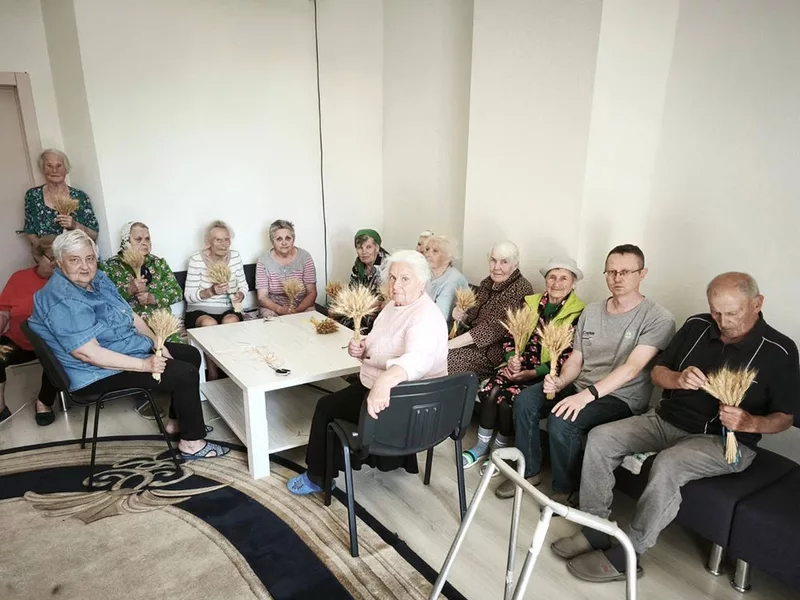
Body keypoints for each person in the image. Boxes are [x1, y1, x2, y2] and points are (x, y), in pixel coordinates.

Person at [552, 272, 800, 583]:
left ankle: (632, 551)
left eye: (732, 313)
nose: (723, 321)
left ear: (757, 303)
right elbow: (658, 372)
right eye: (716, 312)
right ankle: (595, 527)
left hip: (725, 440)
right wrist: (678, 379)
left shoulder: (780, 350)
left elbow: (786, 417)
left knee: (668, 464)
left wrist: (750, 421)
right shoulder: (697, 326)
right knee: (601, 438)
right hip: (665, 420)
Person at [496, 244, 675, 502]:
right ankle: (528, 472)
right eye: (611, 272)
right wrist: (560, 380)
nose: (617, 278)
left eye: (626, 271)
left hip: (621, 397)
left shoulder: (658, 318)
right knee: (525, 401)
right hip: (581, 386)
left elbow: (632, 369)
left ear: (642, 274)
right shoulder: (592, 311)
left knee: (563, 420)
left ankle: (564, 488)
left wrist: (587, 396)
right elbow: (576, 360)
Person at [28, 230, 227, 460]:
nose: (85, 266)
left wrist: (157, 342)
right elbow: (87, 354)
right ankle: (192, 444)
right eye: (75, 260)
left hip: (119, 346)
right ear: (59, 262)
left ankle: (177, 424)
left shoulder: (97, 279)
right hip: (95, 371)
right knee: (184, 373)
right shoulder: (65, 299)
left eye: (89, 258)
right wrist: (145, 364)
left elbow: (131, 315)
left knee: (190, 355)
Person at [287, 250, 448, 495]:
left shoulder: (425, 316)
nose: (396, 285)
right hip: (395, 395)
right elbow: (379, 341)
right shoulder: (395, 306)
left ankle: (317, 477)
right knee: (335, 402)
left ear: (422, 282)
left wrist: (385, 382)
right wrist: (362, 346)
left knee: (325, 407)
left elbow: (418, 360)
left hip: (406, 404)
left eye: (405, 279)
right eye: (392, 278)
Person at [462, 258, 586, 471]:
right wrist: (511, 358)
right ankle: (481, 446)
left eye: (563, 278)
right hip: (519, 364)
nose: (557, 283)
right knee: (491, 391)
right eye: (552, 277)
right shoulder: (530, 302)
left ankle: (498, 454)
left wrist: (532, 373)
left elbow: (567, 356)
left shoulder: (579, 313)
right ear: (546, 280)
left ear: (573, 283)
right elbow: (511, 335)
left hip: (546, 373)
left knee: (505, 401)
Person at [447, 241, 533, 379]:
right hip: (467, 345)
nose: (496, 267)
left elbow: (491, 330)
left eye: (504, 262)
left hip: (490, 354)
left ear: (515, 264)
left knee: (443, 360)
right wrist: (461, 316)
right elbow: (472, 317)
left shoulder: (520, 289)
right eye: (493, 260)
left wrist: (447, 346)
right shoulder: (487, 283)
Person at [0, 236, 58, 425]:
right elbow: (3, 314)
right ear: (38, 256)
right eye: (52, 258)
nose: (57, 263)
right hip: (18, 342)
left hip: (49, 344)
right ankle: (1, 408)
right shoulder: (19, 278)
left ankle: (43, 403)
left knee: (59, 357)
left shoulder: (64, 281)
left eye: (61, 257)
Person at [184, 220, 248, 380]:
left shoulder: (236, 257)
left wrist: (241, 294)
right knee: (209, 324)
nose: (224, 244)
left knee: (231, 321)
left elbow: (244, 285)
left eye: (226, 239)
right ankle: (212, 371)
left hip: (229, 309)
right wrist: (210, 291)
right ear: (209, 242)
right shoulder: (196, 260)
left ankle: (231, 370)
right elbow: (189, 295)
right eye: (218, 240)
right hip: (200, 311)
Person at [101, 222, 184, 343]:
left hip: (162, 328)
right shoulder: (110, 267)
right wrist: (128, 290)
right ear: (126, 242)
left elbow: (177, 293)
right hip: (131, 331)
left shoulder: (158, 264)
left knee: (185, 355)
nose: (144, 243)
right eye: (138, 239)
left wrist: (153, 298)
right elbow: (104, 300)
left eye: (147, 239)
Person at [18, 149, 99, 245]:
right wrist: (46, 255)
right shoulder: (33, 196)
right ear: (42, 168)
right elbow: (30, 231)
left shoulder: (79, 197)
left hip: (77, 255)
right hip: (46, 256)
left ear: (66, 169)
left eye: (59, 165)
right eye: (49, 166)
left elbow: (94, 234)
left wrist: (75, 225)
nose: (54, 170)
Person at [256, 219, 317, 317]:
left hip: (302, 306)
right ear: (272, 241)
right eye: (279, 239)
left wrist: (297, 310)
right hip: (273, 307)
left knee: (311, 321)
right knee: (271, 322)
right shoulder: (263, 261)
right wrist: (280, 309)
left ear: (293, 239)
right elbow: (262, 297)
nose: (284, 243)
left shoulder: (305, 257)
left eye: (288, 238)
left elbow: (312, 292)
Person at [424, 234, 469, 327]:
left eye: (435, 251)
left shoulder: (453, 280)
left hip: (442, 331)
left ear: (448, 256)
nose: (428, 254)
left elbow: (439, 317)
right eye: (427, 249)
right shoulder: (426, 273)